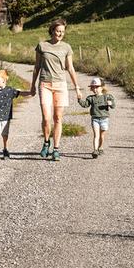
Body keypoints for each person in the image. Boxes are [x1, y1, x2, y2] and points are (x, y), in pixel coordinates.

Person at [30, 17, 81, 161]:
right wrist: (32, 85)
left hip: (60, 86)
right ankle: (46, 142)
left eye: (62, 32)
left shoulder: (66, 47)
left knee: (58, 118)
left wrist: (77, 87)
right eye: (58, 31)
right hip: (45, 84)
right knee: (46, 118)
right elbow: (36, 67)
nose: (60, 34)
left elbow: (70, 68)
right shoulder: (42, 46)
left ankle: (56, 148)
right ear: (52, 30)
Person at [0, 69, 33, 162]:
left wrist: (30, 93)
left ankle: (5, 149)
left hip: (6, 118)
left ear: (4, 79)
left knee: (5, 135)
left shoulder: (10, 90)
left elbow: (20, 93)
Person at [77, 77, 115, 158]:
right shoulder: (90, 98)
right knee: (96, 135)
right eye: (93, 87)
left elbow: (113, 106)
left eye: (97, 87)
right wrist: (79, 99)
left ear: (102, 87)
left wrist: (110, 103)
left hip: (104, 119)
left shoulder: (107, 97)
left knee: (102, 136)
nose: (95, 89)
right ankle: (95, 150)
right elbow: (85, 105)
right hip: (95, 119)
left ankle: (100, 147)